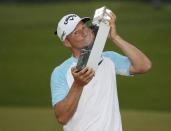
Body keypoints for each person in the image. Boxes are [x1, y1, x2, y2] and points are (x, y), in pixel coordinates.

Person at [51, 11, 152, 131]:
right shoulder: (60, 72)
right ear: (67, 42)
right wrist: (78, 85)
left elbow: (144, 66)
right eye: (76, 32)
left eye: (84, 27)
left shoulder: (109, 58)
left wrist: (115, 38)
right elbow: (62, 117)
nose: (84, 33)